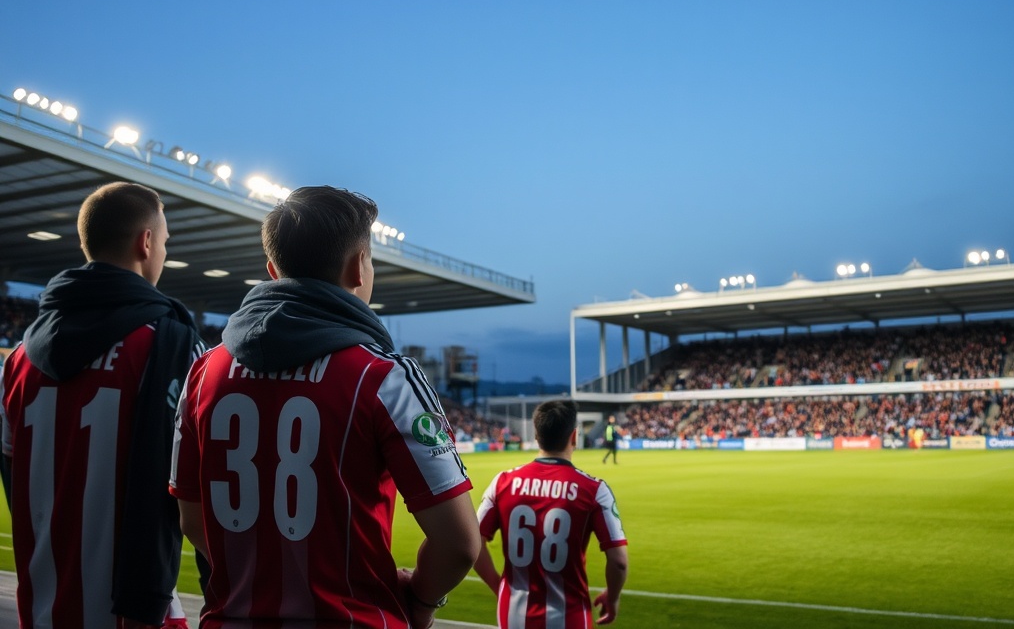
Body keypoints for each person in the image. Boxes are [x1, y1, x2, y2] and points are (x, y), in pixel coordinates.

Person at [170, 186, 480, 628]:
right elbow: (459, 544)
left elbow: (192, 519)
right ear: (358, 266)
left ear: (273, 270)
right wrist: (423, 601)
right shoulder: (385, 377)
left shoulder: (204, 371)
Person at [1, 182, 205, 629]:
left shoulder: (19, 358)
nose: (163, 253)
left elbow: (13, 475)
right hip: (137, 611)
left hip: (41, 606)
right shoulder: (172, 345)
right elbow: (195, 493)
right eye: (165, 242)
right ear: (146, 242)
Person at [474, 400, 629, 627]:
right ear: (574, 436)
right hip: (570, 615)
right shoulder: (594, 490)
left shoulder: (502, 483)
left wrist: (499, 587)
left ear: (537, 436)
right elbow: (619, 562)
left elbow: (472, 543)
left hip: (513, 615)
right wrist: (613, 598)